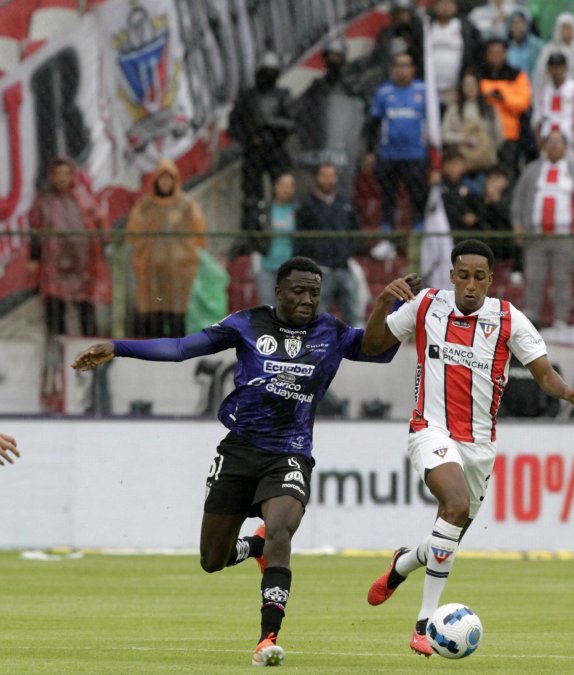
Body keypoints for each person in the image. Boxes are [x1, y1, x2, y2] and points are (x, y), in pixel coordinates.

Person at [70, 257, 416, 666]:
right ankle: (254, 546)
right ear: (279, 292)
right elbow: (181, 349)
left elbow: (378, 350)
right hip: (239, 451)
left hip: (290, 452)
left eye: (315, 293)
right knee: (212, 560)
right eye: (299, 291)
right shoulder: (247, 323)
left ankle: (267, 639)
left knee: (281, 531)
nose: (308, 300)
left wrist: (388, 305)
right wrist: (118, 347)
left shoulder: (331, 332)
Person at [362, 239, 574, 655]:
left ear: (491, 280)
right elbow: (372, 347)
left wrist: (570, 394)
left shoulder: (508, 318)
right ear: (452, 276)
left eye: (479, 277)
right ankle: (424, 624)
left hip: (479, 445)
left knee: (448, 536)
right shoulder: (426, 305)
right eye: (463, 276)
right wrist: (384, 301)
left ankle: (403, 562)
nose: (471, 285)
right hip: (430, 429)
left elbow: (543, 373)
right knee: (455, 506)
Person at [510, 130, 574, 327]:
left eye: (558, 142)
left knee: (562, 280)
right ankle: (530, 320)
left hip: (565, 235)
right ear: (544, 146)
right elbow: (519, 198)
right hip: (536, 235)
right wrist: (518, 223)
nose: (554, 146)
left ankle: (560, 320)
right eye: (550, 141)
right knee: (533, 278)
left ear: (565, 147)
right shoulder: (532, 170)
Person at [128, 157, 207, 338]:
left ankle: (177, 351)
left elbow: (198, 235)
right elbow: (133, 234)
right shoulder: (145, 205)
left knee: (177, 315)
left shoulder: (186, 205)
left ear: (175, 180)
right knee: (153, 316)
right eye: (162, 179)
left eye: (168, 179)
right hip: (151, 272)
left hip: (178, 272)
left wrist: (185, 257)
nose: (165, 183)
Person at [29, 157, 102, 337]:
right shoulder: (44, 201)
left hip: (82, 264)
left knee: (86, 308)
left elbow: (99, 223)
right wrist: (34, 257)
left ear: (72, 176)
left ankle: (93, 349)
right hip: (54, 265)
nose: (62, 178)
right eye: (58, 174)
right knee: (55, 310)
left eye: (66, 174)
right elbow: (35, 230)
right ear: (52, 176)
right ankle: (58, 348)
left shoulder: (83, 198)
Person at [295, 39, 368, 197]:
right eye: (330, 56)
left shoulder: (353, 86)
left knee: (347, 179)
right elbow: (303, 110)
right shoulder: (317, 85)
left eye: (337, 56)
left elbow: (364, 112)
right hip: (322, 143)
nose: (333, 60)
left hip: (346, 142)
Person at [295, 164, 363, 327]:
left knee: (353, 313)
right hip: (320, 268)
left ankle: (354, 341)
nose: (328, 180)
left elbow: (356, 231)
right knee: (318, 315)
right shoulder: (307, 205)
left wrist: (347, 251)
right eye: (324, 175)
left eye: (332, 175)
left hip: (343, 265)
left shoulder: (345, 203)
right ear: (317, 178)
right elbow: (300, 237)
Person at [370, 52, 430, 233]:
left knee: (417, 193)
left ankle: (419, 225)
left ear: (413, 69)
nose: (402, 70)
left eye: (406, 65)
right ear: (392, 69)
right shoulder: (383, 92)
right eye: (399, 66)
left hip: (416, 153)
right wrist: (370, 151)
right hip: (389, 153)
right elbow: (373, 123)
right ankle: (387, 227)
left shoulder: (424, 90)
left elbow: (436, 116)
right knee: (388, 194)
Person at [229, 52, 294, 207]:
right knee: (252, 198)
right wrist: (248, 138)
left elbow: (292, 123)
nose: (268, 76)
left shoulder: (283, 95)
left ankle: (280, 220)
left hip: (276, 150)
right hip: (253, 152)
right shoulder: (247, 96)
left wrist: (270, 123)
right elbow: (234, 124)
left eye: (272, 72)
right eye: (265, 71)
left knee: (282, 194)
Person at [480, 38, 534, 178]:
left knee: (507, 173)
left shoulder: (517, 76)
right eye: (492, 53)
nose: (495, 56)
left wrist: (503, 98)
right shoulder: (479, 75)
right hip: (483, 134)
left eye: (499, 53)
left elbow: (523, 103)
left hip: (509, 134)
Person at [532, 51, 574, 160]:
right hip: (549, 149)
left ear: (566, 68)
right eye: (553, 67)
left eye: (559, 67)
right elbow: (538, 123)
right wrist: (541, 149)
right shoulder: (543, 93)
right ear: (548, 70)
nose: (557, 71)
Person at [249, 173, 298, 307]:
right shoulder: (264, 210)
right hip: (266, 264)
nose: (287, 189)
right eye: (283, 185)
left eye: (291, 186)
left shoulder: (297, 211)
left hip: (289, 268)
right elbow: (252, 233)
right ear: (275, 187)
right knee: (267, 306)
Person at [442, 71, 506, 174]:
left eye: (473, 84)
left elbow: (499, 135)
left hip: (485, 161)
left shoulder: (489, 109)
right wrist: (463, 139)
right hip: (462, 163)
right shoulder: (454, 109)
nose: (470, 88)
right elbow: (445, 134)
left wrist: (487, 147)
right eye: (466, 85)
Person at [428, 0, 483, 101]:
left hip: (456, 88)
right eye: (442, 4)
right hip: (430, 87)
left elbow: (476, 49)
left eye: (449, 4)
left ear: (456, 7)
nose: (445, 7)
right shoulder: (428, 26)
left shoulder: (465, 26)